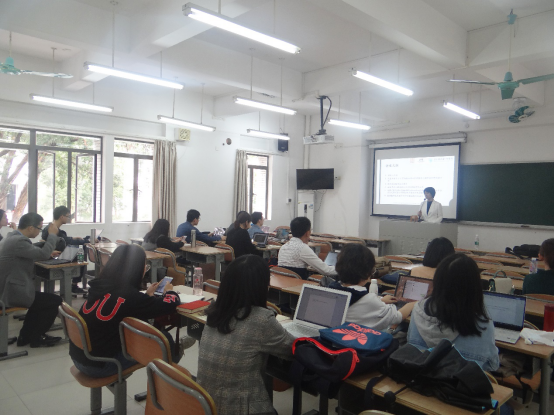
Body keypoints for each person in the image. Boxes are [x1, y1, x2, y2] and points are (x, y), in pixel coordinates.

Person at [198, 255, 295, 415]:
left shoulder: (214, 312)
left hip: (207, 405)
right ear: (261, 287)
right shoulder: (261, 319)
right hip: (239, 409)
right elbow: (292, 349)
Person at [69, 245, 182, 378]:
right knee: (163, 339)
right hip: (103, 364)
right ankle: (171, 375)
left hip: (80, 357)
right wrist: (169, 291)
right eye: (145, 267)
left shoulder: (99, 286)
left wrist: (147, 295)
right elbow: (170, 304)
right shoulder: (130, 296)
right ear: (136, 270)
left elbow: (124, 304)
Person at [408, 253, 499, 371]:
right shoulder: (483, 324)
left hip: (420, 379)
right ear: (475, 286)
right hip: (462, 382)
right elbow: (492, 366)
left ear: (437, 282)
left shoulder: (418, 310)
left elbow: (410, 350)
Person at [0, 213, 63, 348]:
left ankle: (26, 336)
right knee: (54, 300)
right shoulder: (19, 241)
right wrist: (52, 235)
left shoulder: (11, 237)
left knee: (40, 302)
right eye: (39, 229)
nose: (39, 232)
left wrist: (45, 252)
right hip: (11, 292)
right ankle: (35, 337)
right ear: (30, 228)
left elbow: (30, 252)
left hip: (6, 288)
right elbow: (43, 254)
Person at [329, 244, 415, 330]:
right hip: (361, 336)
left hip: (336, 334)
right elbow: (397, 317)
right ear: (367, 272)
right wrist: (412, 303)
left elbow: (360, 304)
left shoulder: (332, 289)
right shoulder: (368, 300)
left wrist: (380, 300)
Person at [42, 206, 87, 294]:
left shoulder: (50, 227)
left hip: (56, 254)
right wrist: (86, 241)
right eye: (68, 216)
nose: (68, 218)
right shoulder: (54, 230)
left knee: (80, 245)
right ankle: (74, 284)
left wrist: (74, 238)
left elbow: (63, 239)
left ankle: (74, 284)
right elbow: (64, 242)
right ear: (62, 217)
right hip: (58, 256)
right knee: (81, 250)